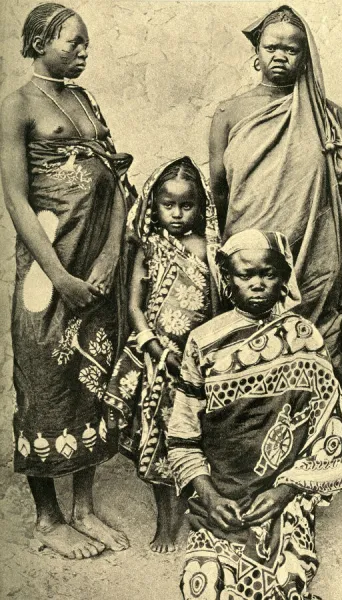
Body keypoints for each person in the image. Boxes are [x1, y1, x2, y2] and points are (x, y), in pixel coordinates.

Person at [0, 3, 136, 559]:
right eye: (74, 42)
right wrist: (61, 277)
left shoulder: (85, 99)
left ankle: (82, 507)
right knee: (43, 380)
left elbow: (118, 186)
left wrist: (106, 262)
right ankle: (47, 518)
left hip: (97, 270)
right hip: (50, 269)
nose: (84, 52)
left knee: (94, 378)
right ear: (39, 40)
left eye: (87, 45)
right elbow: (15, 198)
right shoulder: (17, 105)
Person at [168, 229, 342, 600]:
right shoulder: (202, 342)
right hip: (222, 494)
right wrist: (208, 496)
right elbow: (182, 437)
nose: (257, 283)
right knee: (201, 587)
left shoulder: (305, 339)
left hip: (284, 496)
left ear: (284, 278)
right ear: (227, 280)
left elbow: (333, 430)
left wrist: (285, 491)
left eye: (268, 274)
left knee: (286, 583)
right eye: (245, 274)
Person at [209, 5, 342, 413]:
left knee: (316, 360)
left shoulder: (330, 117)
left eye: (291, 49)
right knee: (252, 363)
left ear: (305, 57)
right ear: (256, 53)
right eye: (271, 46)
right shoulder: (229, 113)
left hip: (317, 259)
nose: (280, 55)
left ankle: (317, 467)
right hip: (250, 258)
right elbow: (220, 193)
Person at [104, 157, 221, 552]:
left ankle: (196, 513)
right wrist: (153, 345)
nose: (176, 213)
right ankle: (165, 523)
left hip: (193, 364)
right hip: (156, 363)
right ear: (153, 205)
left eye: (186, 205)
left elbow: (218, 308)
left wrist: (195, 355)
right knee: (154, 440)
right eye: (167, 205)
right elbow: (135, 305)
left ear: (201, 207)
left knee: (191, 440)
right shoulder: (149, 248)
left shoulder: (209, 250)